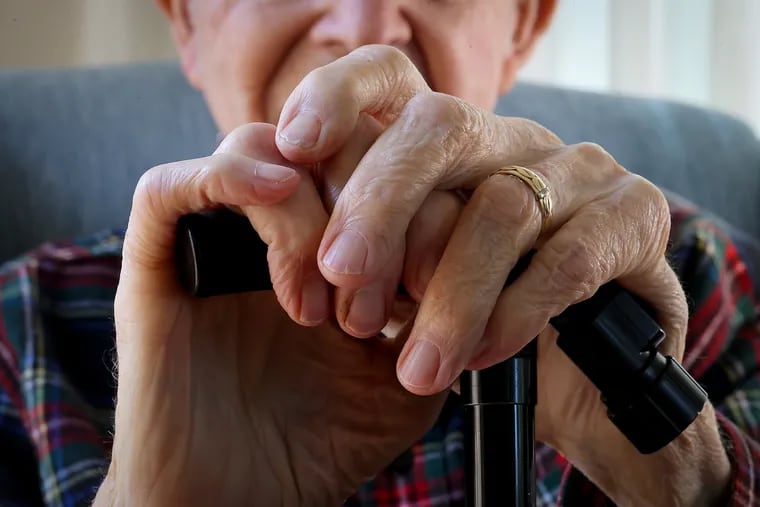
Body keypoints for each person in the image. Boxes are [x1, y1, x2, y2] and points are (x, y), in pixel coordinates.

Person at [0, 0, 757, 505]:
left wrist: (673, 463)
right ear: (186, 21)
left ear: (522, 24)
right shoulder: (19, 334)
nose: (366, 24)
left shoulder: (701, 286)